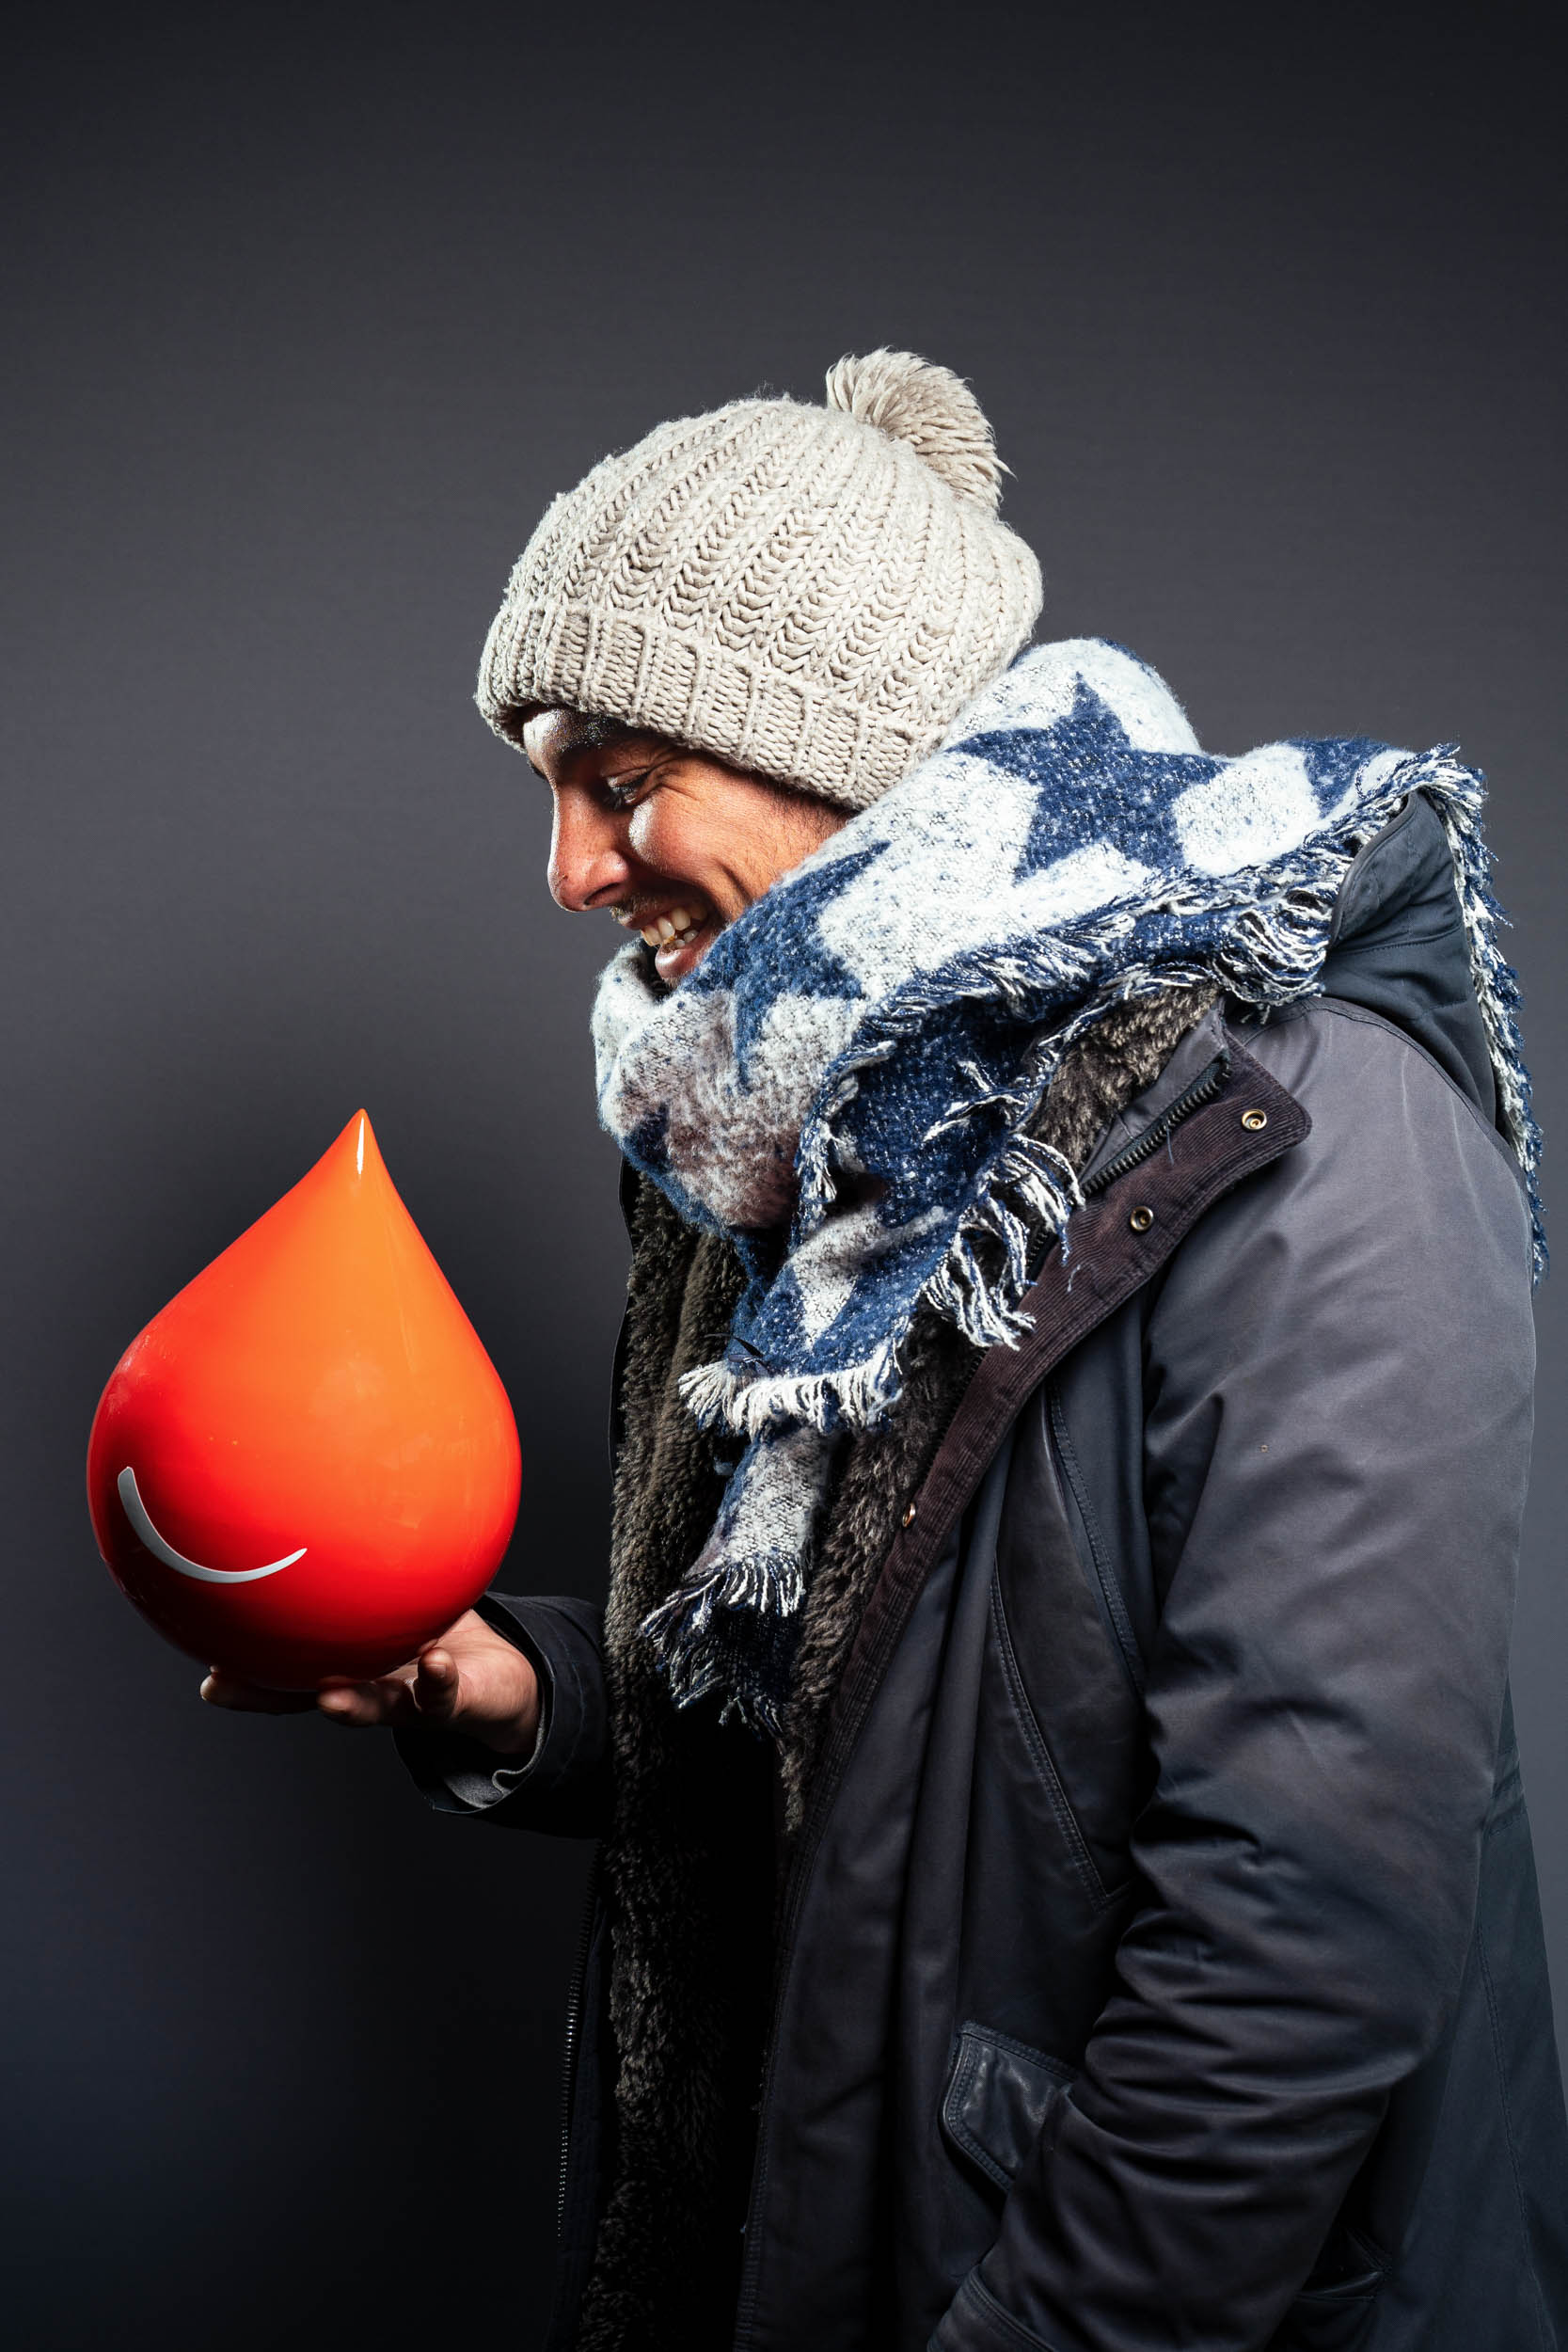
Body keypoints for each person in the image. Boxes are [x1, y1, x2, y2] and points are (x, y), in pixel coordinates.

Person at [205, 352, 1568, 2352]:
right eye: (550, 793)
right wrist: (516, 1695)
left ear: (817, 734)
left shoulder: (1308, 1131)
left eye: (619, 774)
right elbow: (839, 1713)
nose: (570, 872)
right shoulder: (788, 1136)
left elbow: (1297, 1947)